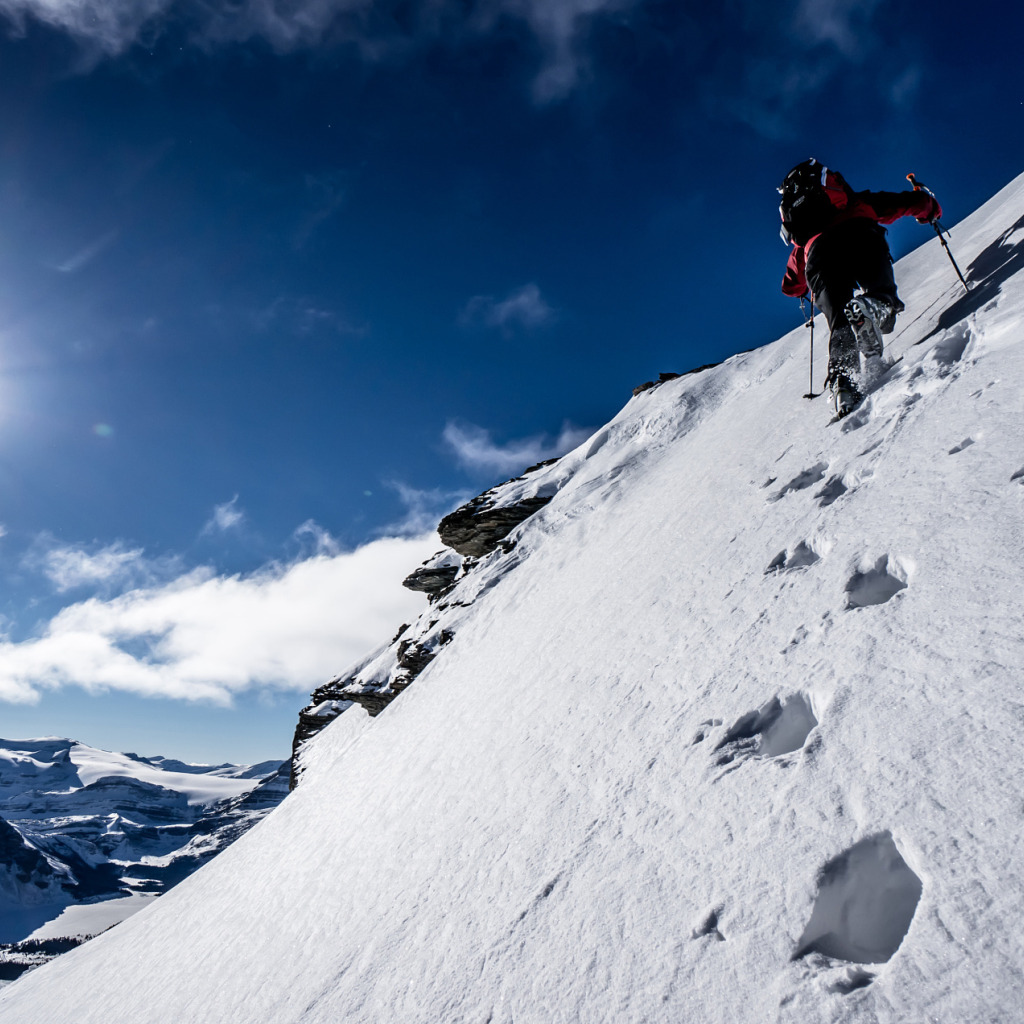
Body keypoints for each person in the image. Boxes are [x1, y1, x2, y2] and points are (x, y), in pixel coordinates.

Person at [778, 159, 941, 417]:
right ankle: (875, 307)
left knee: (839, 323)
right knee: (880, 294)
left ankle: (844, 382)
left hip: (818, 258)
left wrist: (800, 289)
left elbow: (791, 284)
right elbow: (904, 204)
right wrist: (929, 208)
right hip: (861, 235)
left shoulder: (803, 241)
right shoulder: (856, 202)